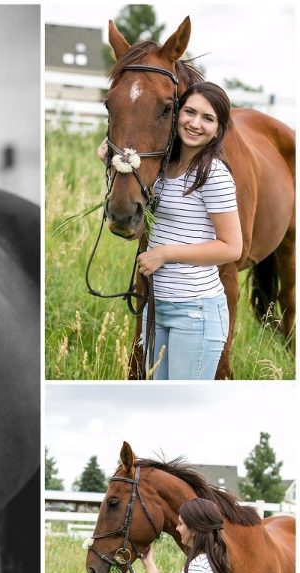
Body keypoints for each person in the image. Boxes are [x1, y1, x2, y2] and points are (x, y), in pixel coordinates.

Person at [100, 81, 243, 379]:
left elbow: (231, 247)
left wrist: (165, 254)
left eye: (207, 118)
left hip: (195, 312)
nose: (194, 123)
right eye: (189, 112)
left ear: (218, 129)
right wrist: (111, 162)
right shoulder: (164, 169)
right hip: (157, 307)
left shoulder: (213, 175)